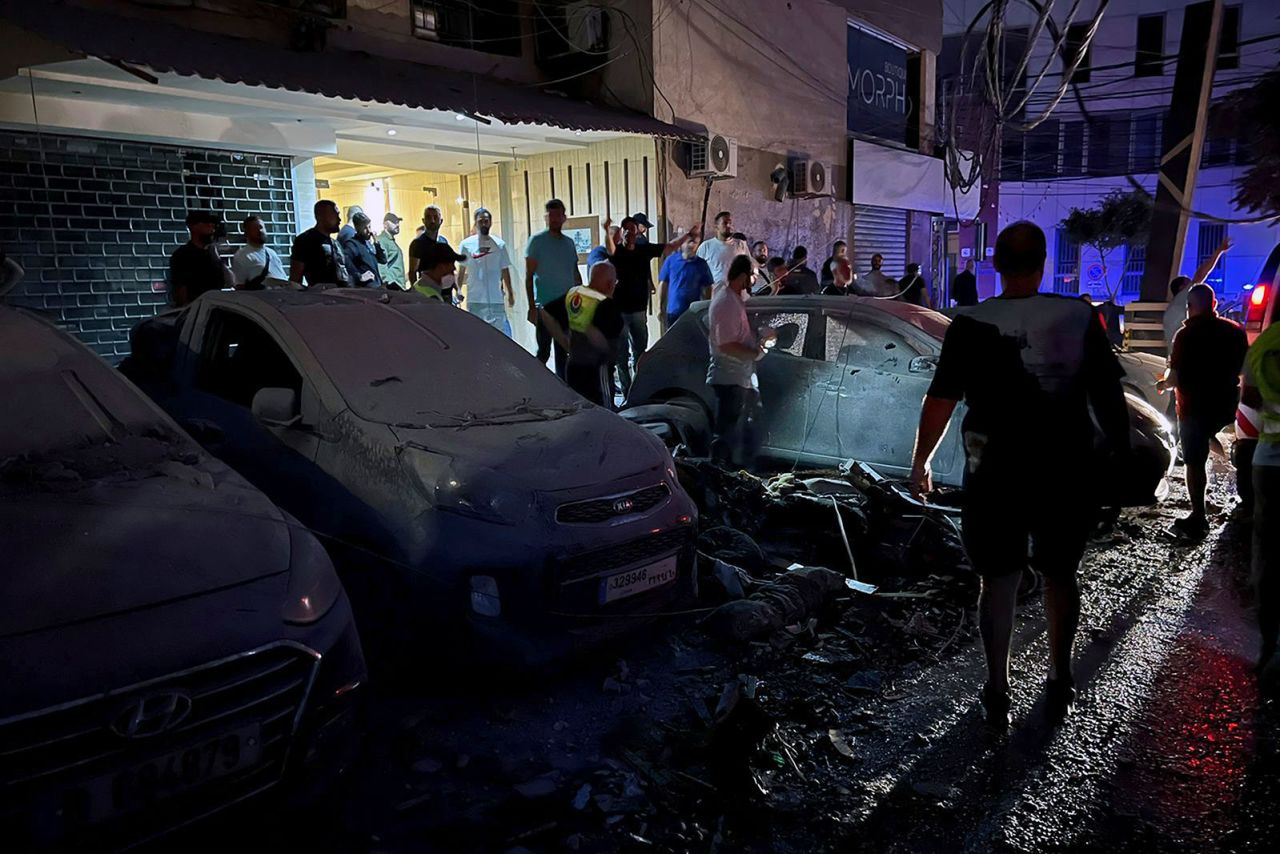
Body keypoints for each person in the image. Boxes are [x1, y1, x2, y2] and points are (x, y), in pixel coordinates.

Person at [908, 221, 1130, 727]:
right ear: (1044, 263)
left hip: (994, 473)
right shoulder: (1078, 316)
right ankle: (1059, 673)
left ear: (998, 266)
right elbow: (1107, 396)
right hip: (1065, 472)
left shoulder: (968, 323)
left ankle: (997, 682)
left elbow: (940, 399)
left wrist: (921, 462)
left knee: (998, 579)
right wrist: (1117, 458)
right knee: (1060, 574)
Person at [1157, 283, 1249, 538]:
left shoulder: (1186, 335)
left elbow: (1174, 378)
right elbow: (1244, 370)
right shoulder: (1235, 331)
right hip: (1226, 404)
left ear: (1189, 308)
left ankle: (1198, 516)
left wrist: (1163, 385)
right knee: (1236, 448)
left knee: (1195, 462)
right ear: (1215, 304)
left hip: (1194, 407)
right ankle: (1246, 503)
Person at [606, 215, 696, 394]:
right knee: (622, 356)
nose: (629, 232)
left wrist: (688, 236)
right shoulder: (617, 253)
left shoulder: (643, 250)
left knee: (640, 354)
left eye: (632, 229)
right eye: (626, 229)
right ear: (622, 232)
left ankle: (638, 391)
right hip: (620, 312)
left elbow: (669, 247)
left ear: (636, 233)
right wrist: (606, 231)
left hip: (639, 311)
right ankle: (626, 393)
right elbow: (610, 248)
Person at [708, 254, 776, 465]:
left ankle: (737, 470)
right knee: (727, 435)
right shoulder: (726, 302)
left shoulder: (735, 298)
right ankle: (721, 474)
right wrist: (755, 353)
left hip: (741, 377)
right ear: (743, 275)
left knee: (743, 432)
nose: (755, 281)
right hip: (729, 378)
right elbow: (725, 344)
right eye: (753, 276)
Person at [1242, 319, 1280, 669]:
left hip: (1269, 459)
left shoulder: (1265, 341)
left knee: (1267, 550)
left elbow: (1249, 398)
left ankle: (1268, 644)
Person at [541, 261, 625, 407]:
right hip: (598, 371)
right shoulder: (607, 306)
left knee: (579, 408)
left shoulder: (574, 295)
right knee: (604, 413)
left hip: (573, 366)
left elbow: (544, 312)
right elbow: (608, 345)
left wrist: (565, 342)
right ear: (610, 284)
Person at [524, 199, 581, 379]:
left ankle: (563, 391)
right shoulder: (537, 241)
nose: (555, 219)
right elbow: (529, 276)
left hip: (566, 303)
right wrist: (532, 307)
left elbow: (574, 271)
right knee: (543, 351)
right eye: (551, 215)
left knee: (564, 350)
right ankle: (536, 386)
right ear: (546, 218)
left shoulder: (569, 243)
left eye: (558, 215)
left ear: (564, 217)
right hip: (545, 305)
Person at [1163, 236, 1232, 355]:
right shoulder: (1182, 298)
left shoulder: (1173, 309)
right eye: (1188, 283)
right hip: (1188, 358)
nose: (1193, 285)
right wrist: (1218, 251)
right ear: (1181, 288)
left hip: (1177, 359)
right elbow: (1200, 274)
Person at [457, 207, 514, 336]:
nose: (484, 224)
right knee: (477, 336)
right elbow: (461, 270)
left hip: (496, 299)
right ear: (475, 222)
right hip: (475, 299)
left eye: (486, 221)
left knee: (498, 336)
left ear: (490, 222)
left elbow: (505, 270)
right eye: (481, 221)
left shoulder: (500, 245)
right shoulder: (466, 244)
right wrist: (458, 289)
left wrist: (510, 293)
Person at [169, 211, 232, 306]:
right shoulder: (182, 255)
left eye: (213, 224)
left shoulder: (212, 253)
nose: (212, 227)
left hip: (217, 308)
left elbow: (231, 281)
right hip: (197, 311)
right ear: (193, 227)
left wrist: (217, 257)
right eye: (207, 223)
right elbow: (180, 292)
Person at [659, 236, 714, 332]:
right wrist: (660, 307)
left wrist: (706, 307)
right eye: (689, 242)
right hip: (674, 311)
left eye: (694, 243)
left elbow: (708, 287)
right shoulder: (671, 261)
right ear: (682, 244)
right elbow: (663, 284)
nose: (691, 245)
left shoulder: (701, 264)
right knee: (674, 341)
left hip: (693, 312)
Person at [289, 200, 348, 289]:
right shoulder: (305, 241)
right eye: (334, 214)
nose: (339, 219)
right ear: (320, 216)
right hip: (321, 297)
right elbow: (295, 278)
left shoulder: (335, 244)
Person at [409, 205, 456, 302]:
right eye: (428, 217)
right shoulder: (418, 244)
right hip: (427, 292)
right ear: (423, 220)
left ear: (441, 221)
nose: (432, 221)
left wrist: (456, 289)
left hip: (446, 292)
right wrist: (416, 293)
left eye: (435, 217)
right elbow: (412, 271)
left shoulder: (443, 242)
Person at [230, 215, 287, 290]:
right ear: (247, 232)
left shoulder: (272, 253)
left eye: (261, 227)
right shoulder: (242, 256)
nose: (260, 231)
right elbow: (239, 286)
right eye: (254, 228)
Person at [696, 211, 752, 285]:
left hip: (737, 292)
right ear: (716, 226)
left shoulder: (740, 244)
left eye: (730, 223)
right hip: (715, 292)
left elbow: (749, 267)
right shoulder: (706, 247)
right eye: (725, 223)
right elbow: (697, 271)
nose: (728, 225)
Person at [337, 211, 386, 289]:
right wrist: (359, 276)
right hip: (366, 289)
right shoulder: (352, 244)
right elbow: (345, 260)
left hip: (377, 287)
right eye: (365, 228)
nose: (369, 231)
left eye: (369, 227)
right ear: (357, 228)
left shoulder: (367, 243)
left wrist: (376, 243)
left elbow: (383, 260)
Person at [377, 212, 407, 290]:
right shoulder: (382, 241)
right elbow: (381, 266)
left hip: (398, 287)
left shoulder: (390, 241)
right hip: (393, 288)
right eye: (394, 222)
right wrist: (390, 284)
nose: (397, 225)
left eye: (398, 222)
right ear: (385, 225)